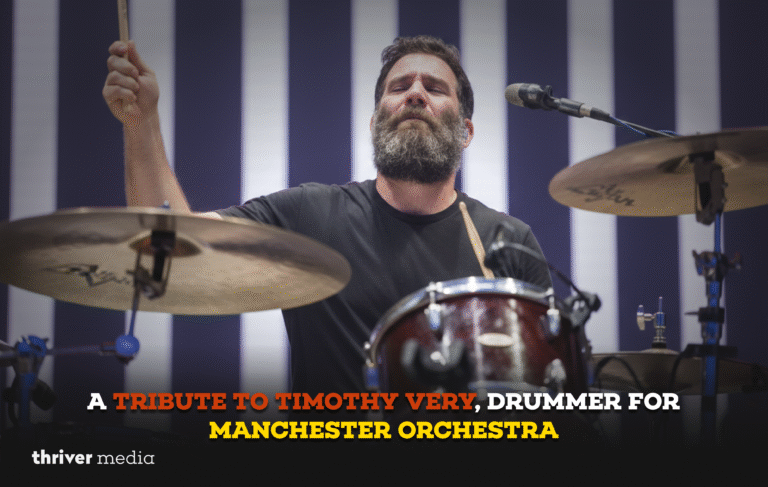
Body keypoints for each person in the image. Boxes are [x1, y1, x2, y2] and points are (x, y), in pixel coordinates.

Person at [103, 35, 552, 395]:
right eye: (400, 87)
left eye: (434, 88)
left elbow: (547, 388)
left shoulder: (508, 241)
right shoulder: (309, 217)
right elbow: (176, 253)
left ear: (466, 131)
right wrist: (141, 123)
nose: (415, 94)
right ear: (376, 122)